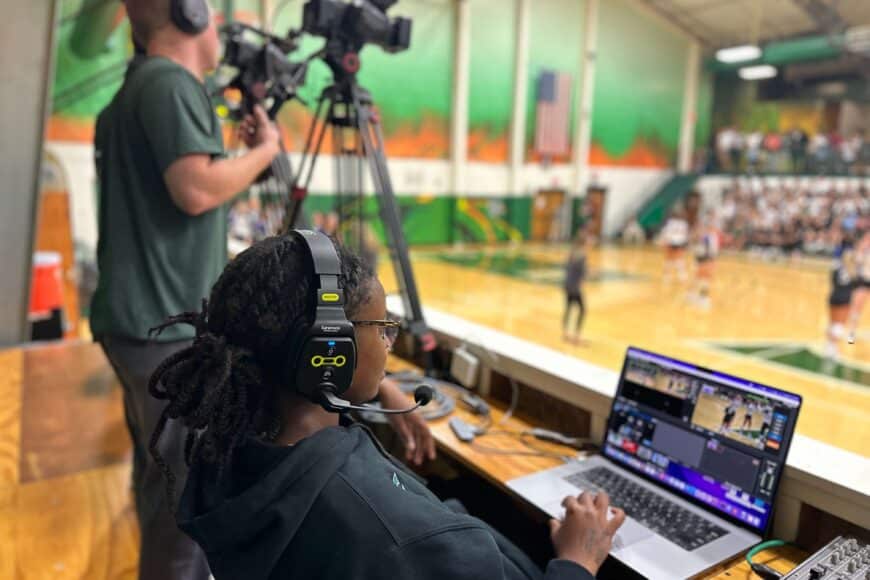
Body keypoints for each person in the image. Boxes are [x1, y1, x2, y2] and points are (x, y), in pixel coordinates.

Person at [148, 234, 625, 580]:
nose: (390, 340)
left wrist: (377, 386)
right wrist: (577, 562)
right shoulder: (398, 539)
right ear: (326, 355)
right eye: (381, 326)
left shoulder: (229, 447)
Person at [90, 1, 283, 578]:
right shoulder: (170, 83)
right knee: (186, 507)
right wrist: (266, 152)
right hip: (164, 329)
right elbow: (195, 189)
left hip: (136, 325)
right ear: (191, 13)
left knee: (162, 484)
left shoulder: (138, 90)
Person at [826, 250, 858, 358]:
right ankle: (834, 348)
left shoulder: (836, 270)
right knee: (839, 325)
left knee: (832, 323)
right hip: (844, 300)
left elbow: (832, 282)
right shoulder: (853, 273)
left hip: (833, 297)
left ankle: (829, 346)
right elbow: (855, 288)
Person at [563, 234, 588, 345]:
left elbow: (567, 268)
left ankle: (565, 332)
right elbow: (583, 274)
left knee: (568, 308)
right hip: (575, 287)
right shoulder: (582, 256)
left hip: (567, 285)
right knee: (582, 310)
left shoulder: (571, 254)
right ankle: (576, 336)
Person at [660, 207, 690, 283]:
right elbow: (685, 235)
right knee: (678, 259)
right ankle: (681, 276)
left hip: (672, 241)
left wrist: (665, 241)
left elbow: (666, 233)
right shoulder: (683, 223)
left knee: (669, 259)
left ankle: (667, 276)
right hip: (678, 242)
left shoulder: (671, 222)